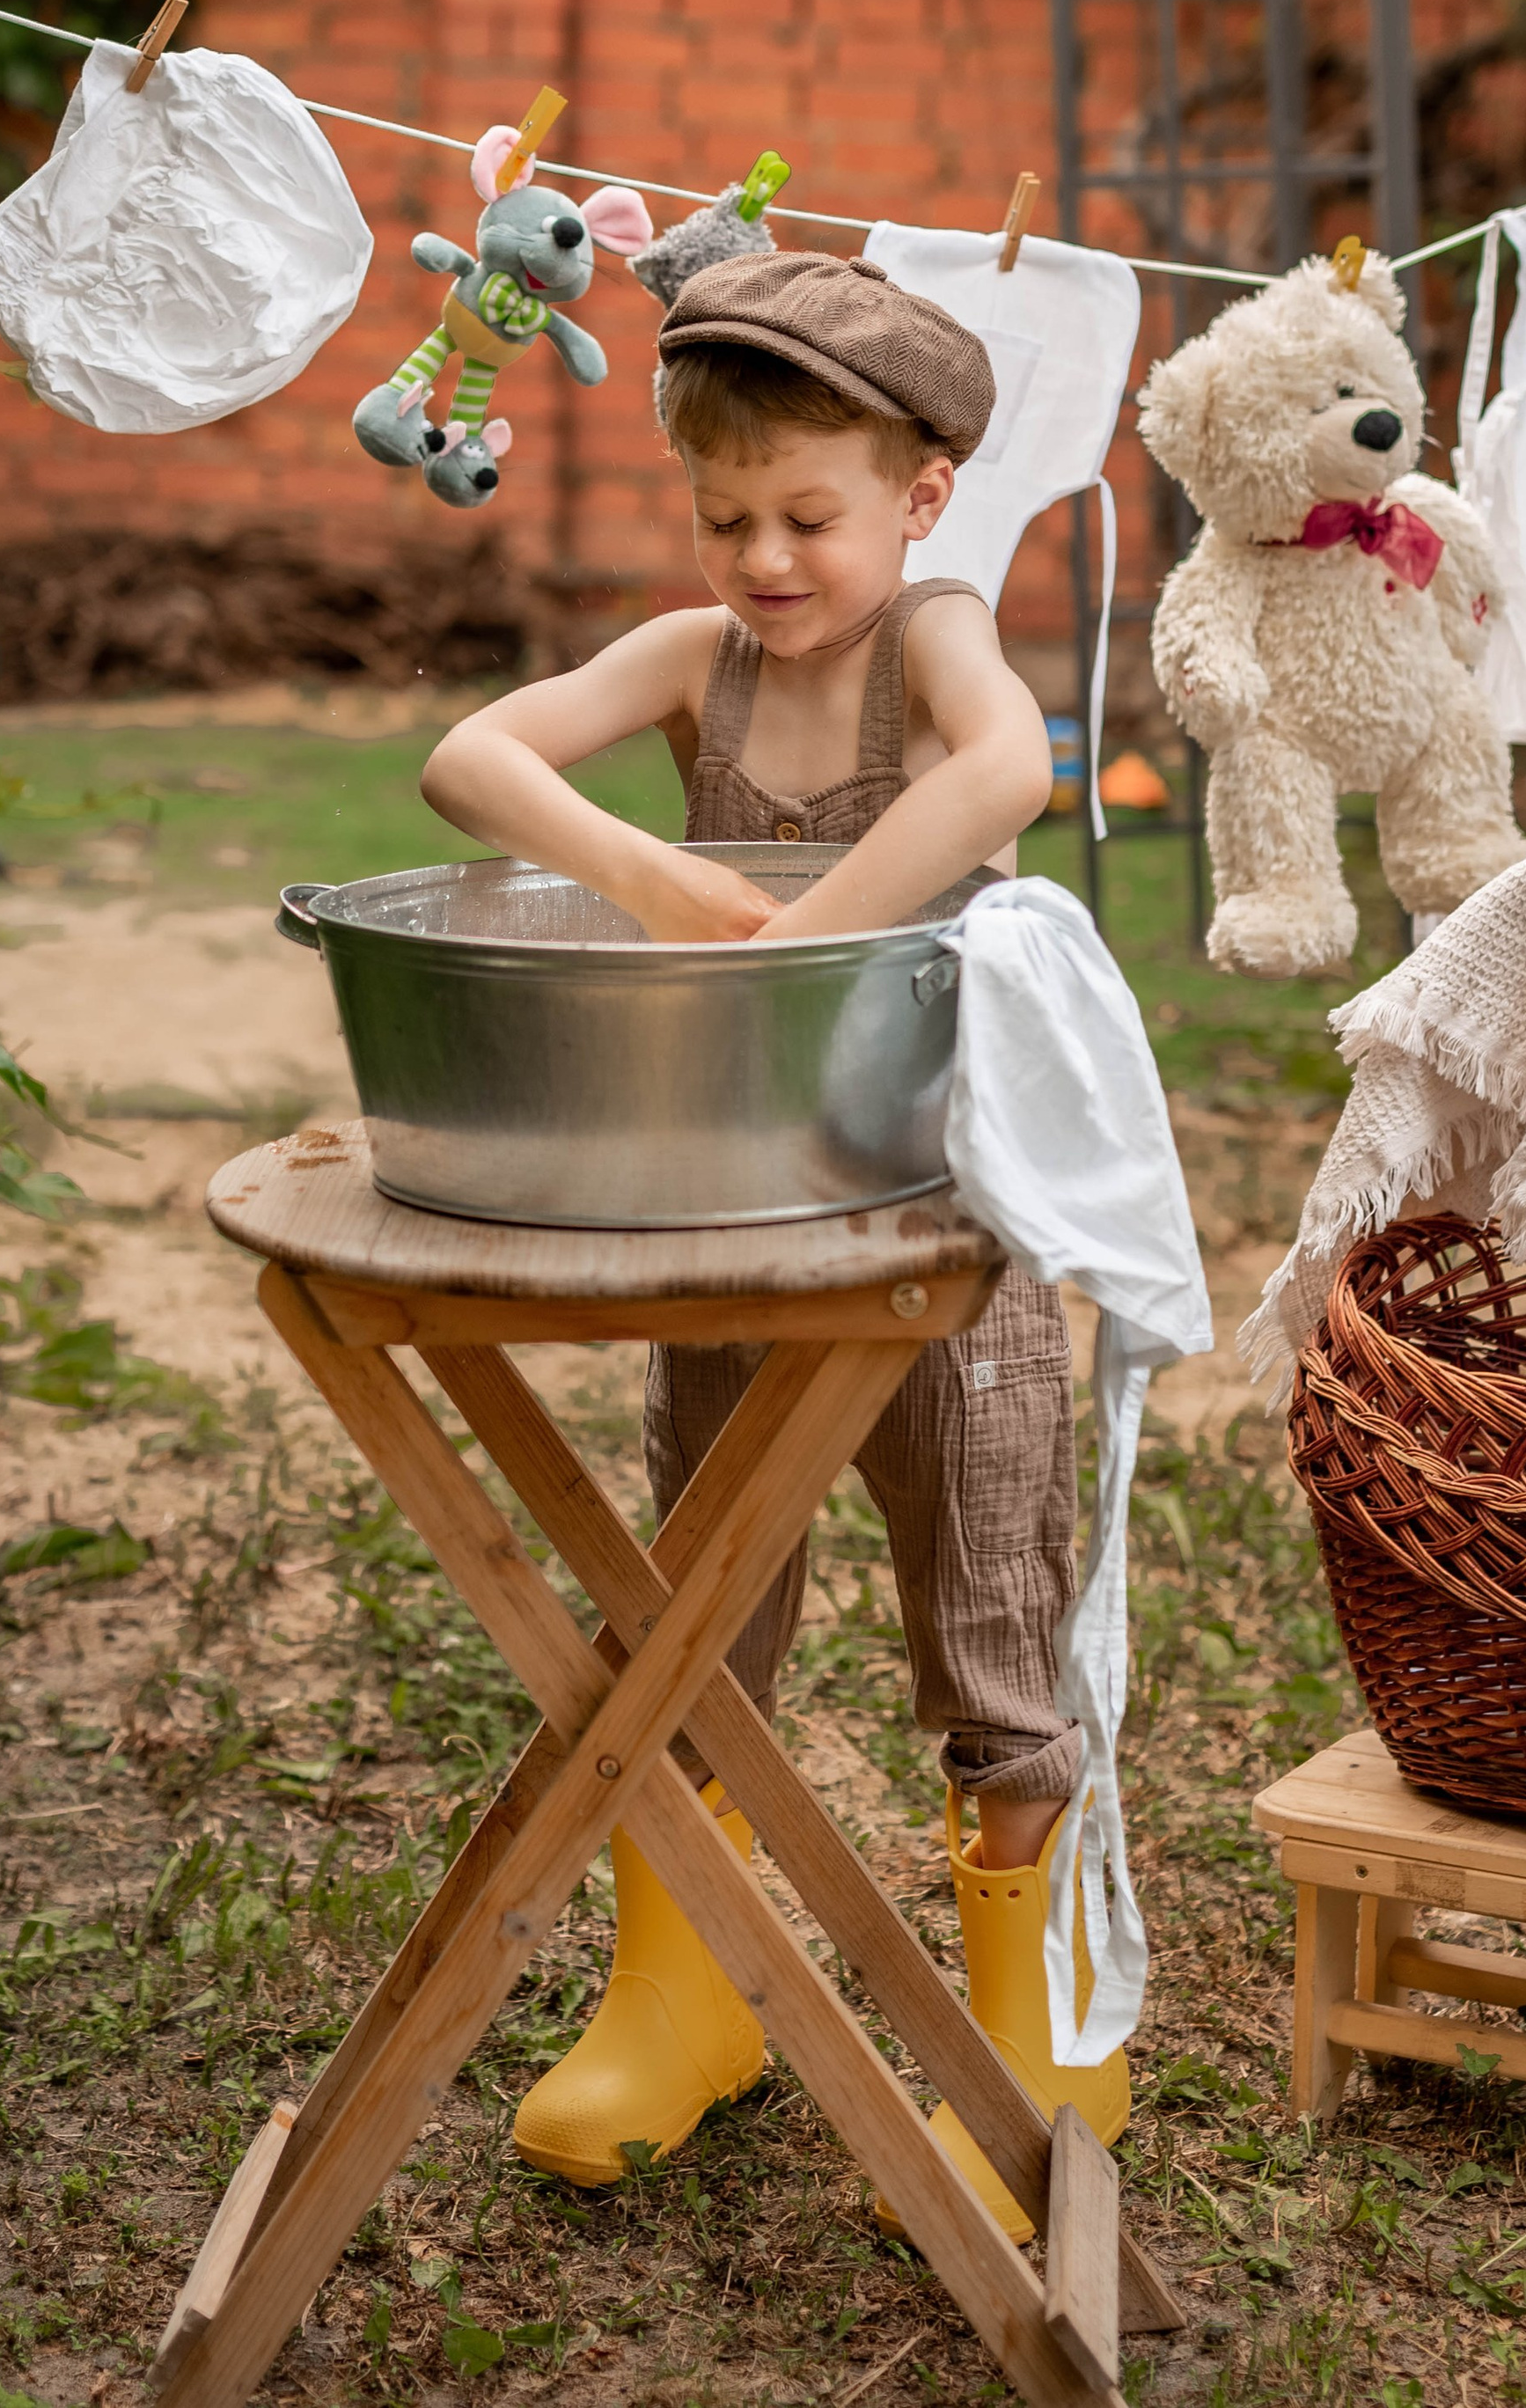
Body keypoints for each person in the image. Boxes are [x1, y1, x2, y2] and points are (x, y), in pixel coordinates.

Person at [419, 249, 1126, 2235]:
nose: (764, 557)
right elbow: (467, 759)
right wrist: (649, 873)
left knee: (982, 1571)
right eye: (724, 517)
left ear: (916, 498)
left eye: (808, 516)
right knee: (701, 1586)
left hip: (938, 1219)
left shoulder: (933, 644)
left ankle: (1023, 1999)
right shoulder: (690, 660)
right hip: (728, 1200)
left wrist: (797, 948)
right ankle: (688, 1988)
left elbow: (1009, 773)